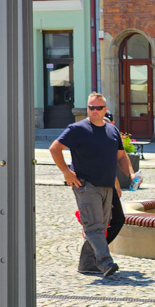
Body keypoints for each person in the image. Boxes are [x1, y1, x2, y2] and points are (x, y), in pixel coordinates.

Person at [49, 93, 133, 277]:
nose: (94, 111)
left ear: (105, 110)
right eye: (91, 107)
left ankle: (87, 264)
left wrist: (131, 175)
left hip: (106, 185)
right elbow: (55, 148)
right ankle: (105, 263)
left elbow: (120, 157)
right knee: (94, 226)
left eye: (98, 108)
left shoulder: (112, 131)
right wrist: (66, 172)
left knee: (101, 226)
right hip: (86, 185)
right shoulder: (77, 129)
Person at [77, 111, 127, 273]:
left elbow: (112, 162)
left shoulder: (111, 136)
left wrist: (117, 183)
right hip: (92, 185)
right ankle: (102, 261)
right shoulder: (88, 134)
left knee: (117, 219)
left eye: (106, 121)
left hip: (108, 184)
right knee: (96, 226)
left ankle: (89, 259)